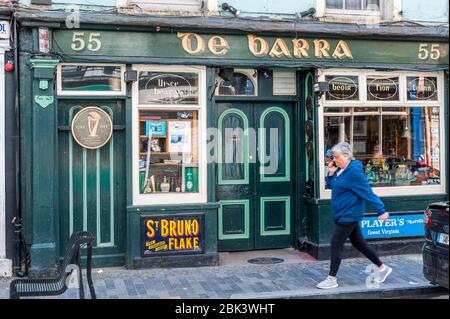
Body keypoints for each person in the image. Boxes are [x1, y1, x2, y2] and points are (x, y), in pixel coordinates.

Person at [316, 142, 393, 289]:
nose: (334, 160)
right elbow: (333, 186)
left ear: (346, 156)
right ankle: (382, 268)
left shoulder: (354, 172)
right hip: (343, 213)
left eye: (336, 157)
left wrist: (381, 210)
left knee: (335, 243)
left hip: (349, 215)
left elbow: (367, 192)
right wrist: (331, 173)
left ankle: (332, 278)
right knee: (359, 243)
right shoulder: (341, 170)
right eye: (333, 157)